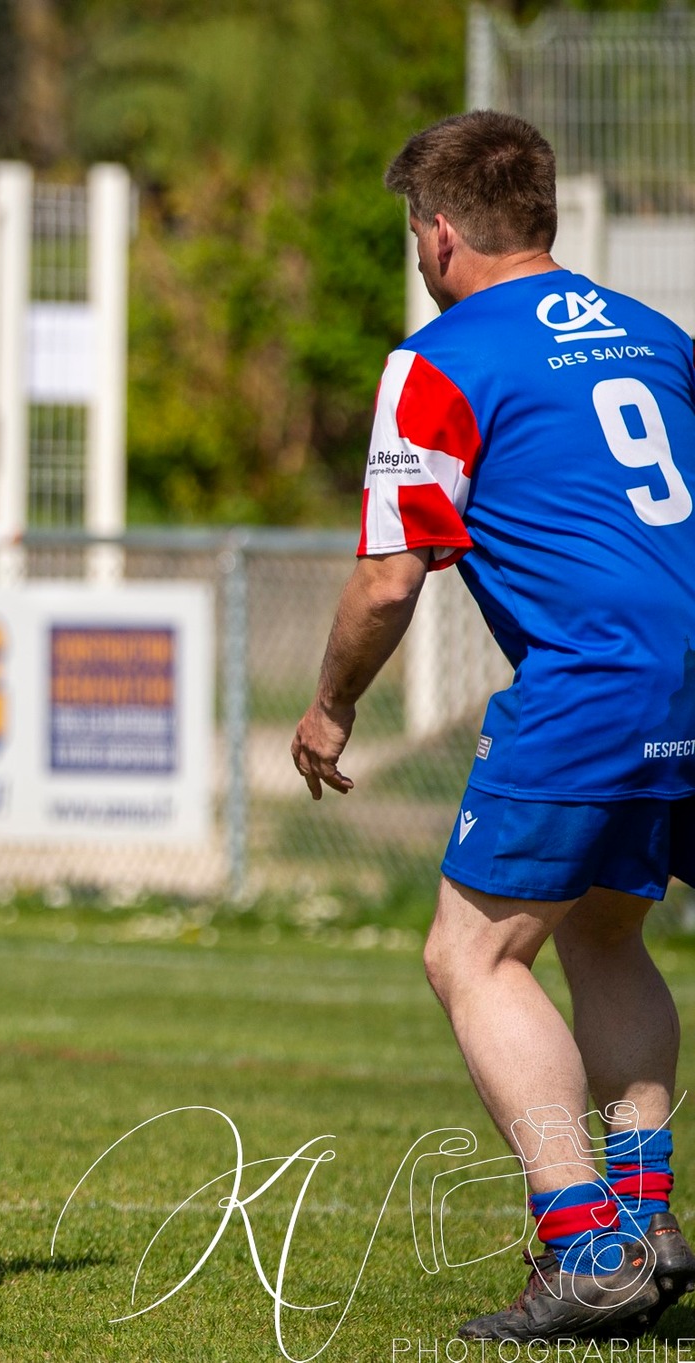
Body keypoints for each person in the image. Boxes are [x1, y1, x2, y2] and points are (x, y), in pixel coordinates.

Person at [292, 110, 695, 1342]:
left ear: (440, 230)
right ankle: (645, 1216)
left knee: (468, 956)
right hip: (683, 666)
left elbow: (388, 577)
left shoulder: (443, 356)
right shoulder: (660, 337)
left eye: (416, 230)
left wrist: (328, 704)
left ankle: (585, 1249)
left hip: (589, 684)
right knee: (606, 933)